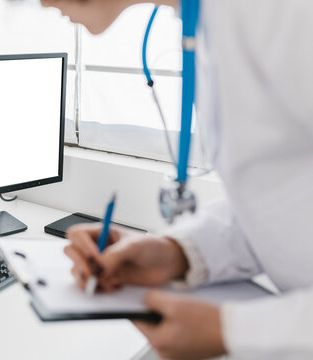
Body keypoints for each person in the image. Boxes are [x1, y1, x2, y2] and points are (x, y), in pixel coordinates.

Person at [40, 0, 313, 359]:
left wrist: (229, 329)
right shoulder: (207, 22)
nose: (41, 3)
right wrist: (177, 253)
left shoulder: (286, 14)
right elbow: (285, 201)